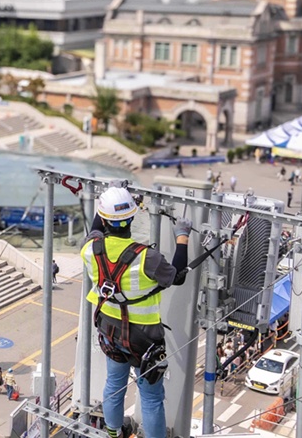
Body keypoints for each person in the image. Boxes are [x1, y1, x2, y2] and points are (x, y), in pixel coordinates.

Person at [80, 183, 191, 438]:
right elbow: (177, 276)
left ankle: (113, 432)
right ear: (132, 217)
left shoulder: (90, 249)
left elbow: (97, 228)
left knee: (114, 384)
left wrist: (110, 196)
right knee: (151, 397)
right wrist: (182, 237)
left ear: (104, 219)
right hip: (144, 337)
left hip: (109, 327)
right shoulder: (147, 258)